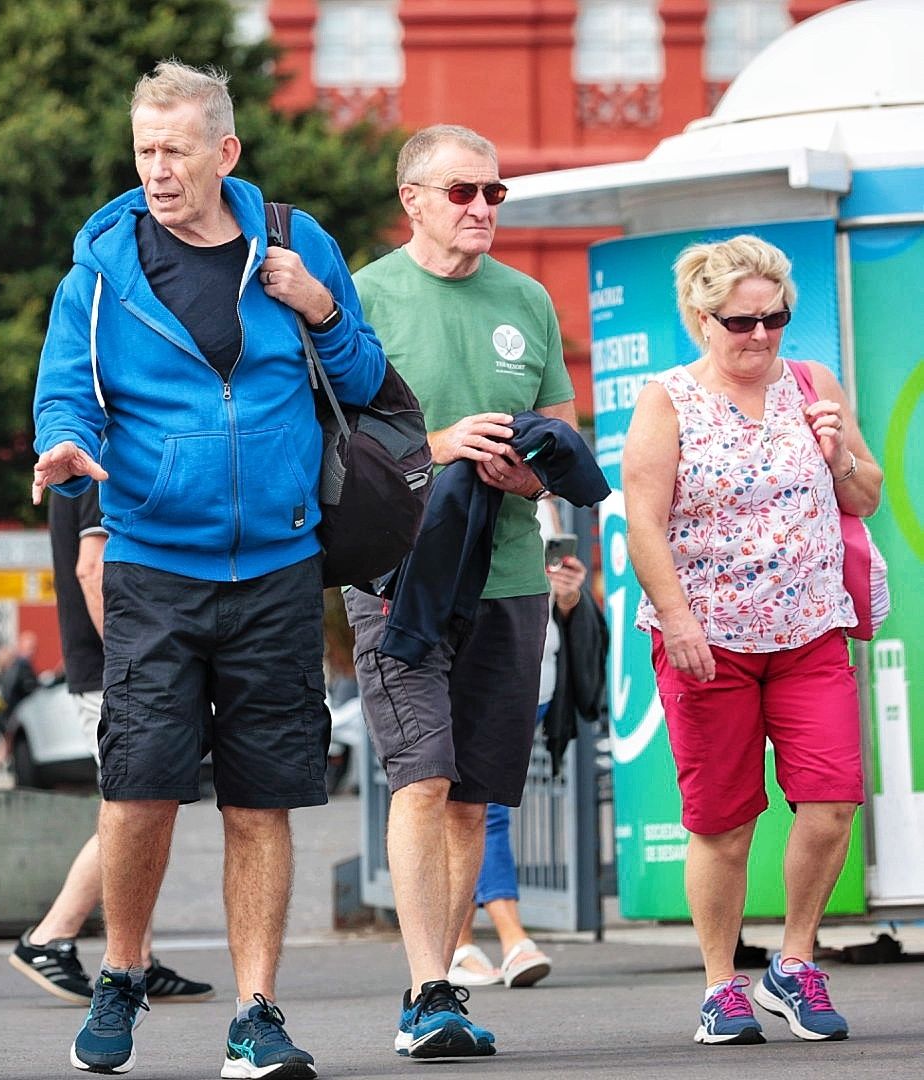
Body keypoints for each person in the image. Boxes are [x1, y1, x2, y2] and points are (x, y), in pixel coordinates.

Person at [32, 60, 384, 1080]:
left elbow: (363, 378)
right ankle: (121, 971)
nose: (157, 170)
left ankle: (258, 1012)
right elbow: (67, 390)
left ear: (224, 152)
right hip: (152, 561)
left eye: (176, 151)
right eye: (144, 151)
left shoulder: (294, 240)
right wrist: (63, 443)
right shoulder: (100, 266)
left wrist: (320, 305)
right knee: (139, 789)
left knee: (260, 800)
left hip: (278, 563)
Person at [347, 123, 579, 1059]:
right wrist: (438, 447)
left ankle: (437, 994)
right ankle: (427, 987)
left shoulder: (526, 296)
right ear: (413, 200)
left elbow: (564, 431)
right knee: (424, 774)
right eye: (462, 193)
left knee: (473, 797)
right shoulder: (361, 299)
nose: (482, 208)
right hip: (396, 575)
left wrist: (538, 471)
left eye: (494, 193)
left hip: (513, 574)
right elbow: (331, 443)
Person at [622, 234, 881, 1046]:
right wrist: (681, 619)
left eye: (776, 319)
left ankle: (795, 964)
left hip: (809, 628)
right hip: (710, 640)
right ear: (703, 318)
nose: (762, 336)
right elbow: (644, 521)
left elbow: (867, 495)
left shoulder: (813, 383)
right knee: (724, 823)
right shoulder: (667, 399)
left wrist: (838, 455)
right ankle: (719, 985)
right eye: (742, 322)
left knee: (833, 803)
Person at [9, 488, 214, 1007]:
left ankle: (138, 959)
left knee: (150, 799)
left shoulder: (88, 440)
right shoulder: (96, 444)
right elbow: (92, 567)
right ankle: (50, 938)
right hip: (114, 668)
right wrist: (134, 667)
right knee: (136, 805)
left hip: (109, 666)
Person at [447, 503, 588, 990]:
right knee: (480, 807)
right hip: (471, 658)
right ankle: (510, 936)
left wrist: (567, 596)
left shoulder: (545, 501)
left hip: (533, 673)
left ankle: (458, 944)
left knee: (475, 807)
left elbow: (556, 600)